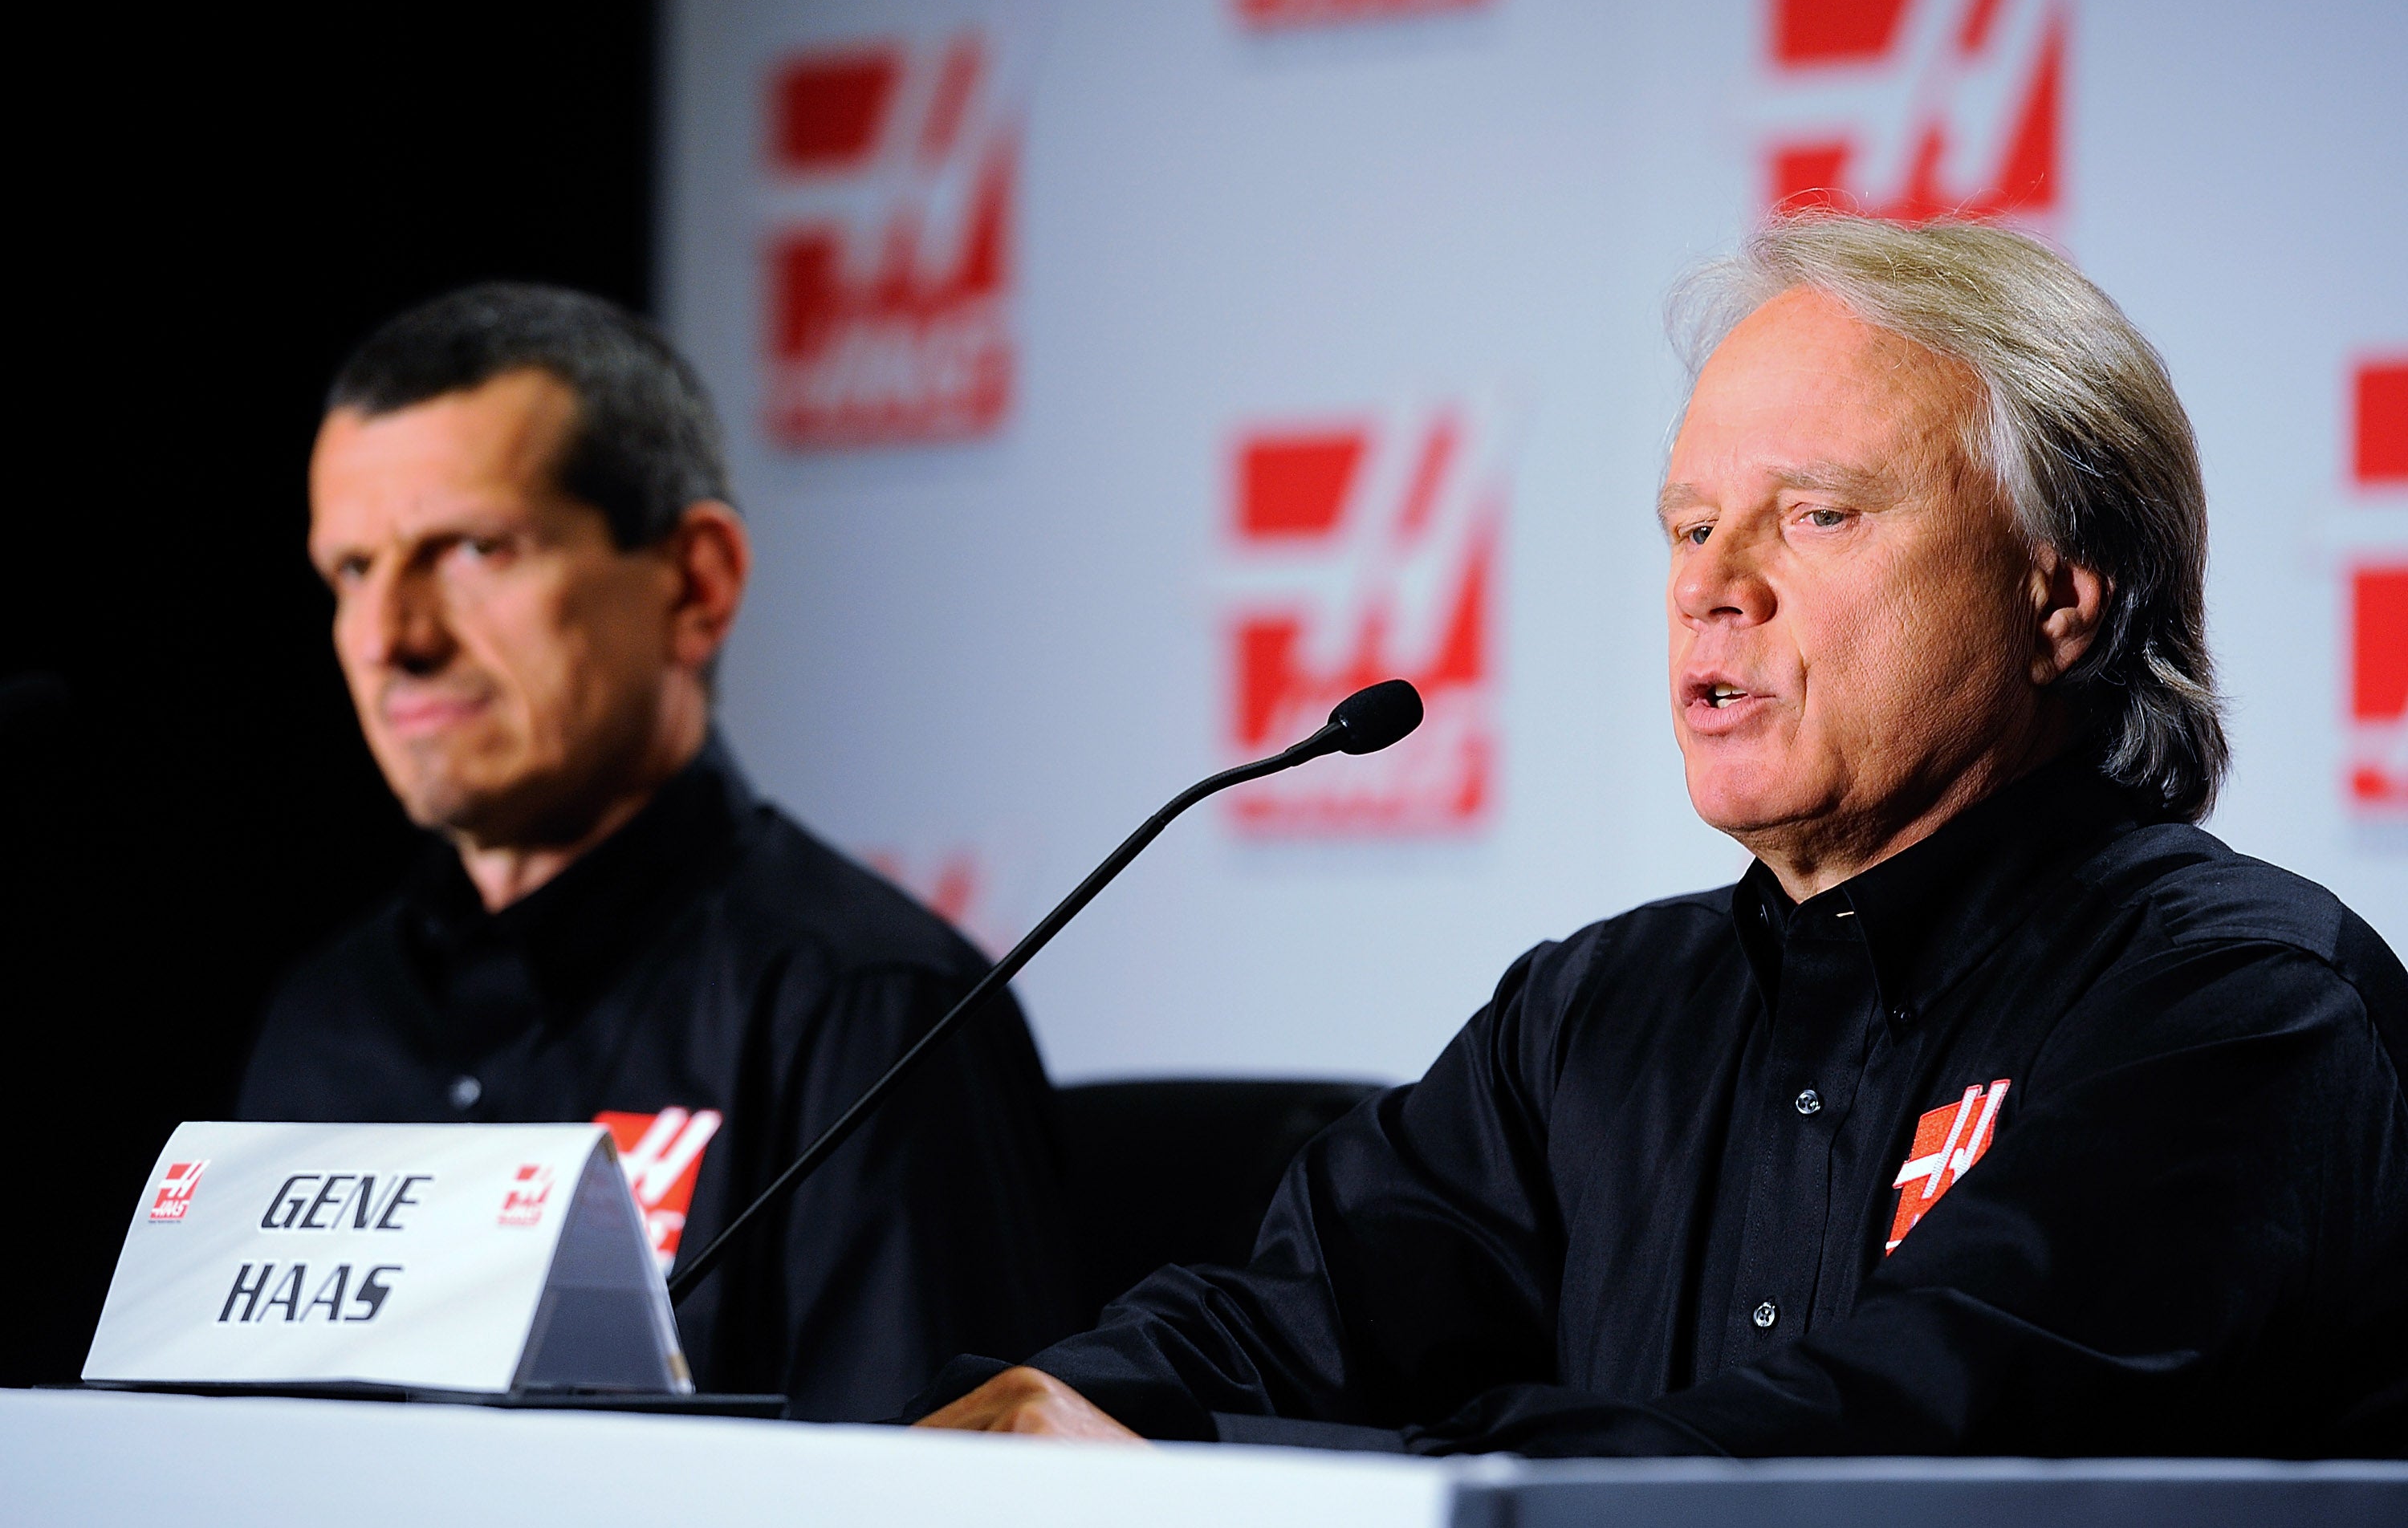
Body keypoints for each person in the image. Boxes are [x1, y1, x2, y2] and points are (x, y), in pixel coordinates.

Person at [911, 214, 2408, 1456]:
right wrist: (1063, 1413)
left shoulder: (2239, 1009)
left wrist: (1412, 1475)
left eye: (1816, 516)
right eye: (1691, 525)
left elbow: (1909, 1438)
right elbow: (1300, 1319)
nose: (1715, 584)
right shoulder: (1592, 1018)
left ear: (2059, 599)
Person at [238, 284, 1084, 1419]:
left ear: (697, 584)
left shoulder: (871, 1014)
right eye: (351, 570)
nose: (395, 638)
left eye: (475, 550)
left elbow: (943, 1498)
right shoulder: (322, 1021)